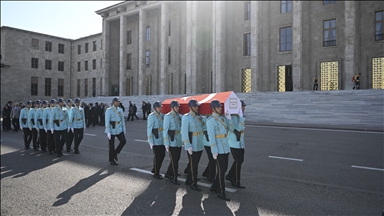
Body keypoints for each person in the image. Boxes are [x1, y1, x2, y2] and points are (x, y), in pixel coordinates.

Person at [206, 100, 234, 201]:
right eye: (218, 107)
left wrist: (229, 118)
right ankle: (221, 192)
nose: (220, 108)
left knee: (224, 169)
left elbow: (231, 129)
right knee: (222, 171)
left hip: (225, 147)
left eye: (220, 107)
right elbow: (211, 137)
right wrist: (214, 150)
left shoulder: (222, 118)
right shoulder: (211, 120)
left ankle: (214, 186)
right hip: (218, 148)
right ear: (213, 109)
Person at [182, 99, 205, 191]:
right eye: (195, 106)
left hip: (199, 143)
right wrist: (188, 145)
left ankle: (189, 179)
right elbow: (184, 132)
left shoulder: (199, 117)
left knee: (195, 163)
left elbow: (204, 127)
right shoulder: (186, 117)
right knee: (194, 164)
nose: (197, 108)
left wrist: (205, 118)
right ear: (190, 107)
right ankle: (193, 182)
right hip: (192, 144)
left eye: (197, 106)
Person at [226, 100, 246, 189]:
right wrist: (241, 117)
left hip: (240, 142)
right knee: (238, 162)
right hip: (234, 143)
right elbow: (238, 129)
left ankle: (230, 175)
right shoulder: (234, 117)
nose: (244, 108)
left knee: (239, 161)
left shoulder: (239, 116)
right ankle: (235, 181)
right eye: (243, 107)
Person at [163, 100, 182, 185]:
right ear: (172, 108)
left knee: (177, 158)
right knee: (174, 160)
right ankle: (174, 177)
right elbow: (165, 131)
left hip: (178, 140)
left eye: (178, 107)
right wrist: (166, 143)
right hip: (172, 140)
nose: (178, 109)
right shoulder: (168, 116)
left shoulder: (179, 116)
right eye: (176, 107)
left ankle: (168, 173)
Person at [105, 97, 126, 165]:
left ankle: (115, 153)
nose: (118, 103)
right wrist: (108, 131)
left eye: (118, 101)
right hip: (112, 129)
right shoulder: (109, 110)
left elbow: (122, 120)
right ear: (113, 102)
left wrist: (124, 129)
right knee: (111, 145)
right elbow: (107, 121)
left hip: (119, 128)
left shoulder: (120, 110)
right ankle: (111, 160)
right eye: (116, 101)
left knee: (123, 141)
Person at [147, 101, 165, 179]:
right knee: (158, 156)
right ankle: (156, 173)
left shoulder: (162, 115)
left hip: (162, 139)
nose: (160, 108)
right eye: (158, 107)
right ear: (155, 108)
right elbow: (149, 129)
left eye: (160, 107)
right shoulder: (152, 116)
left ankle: (155, 168)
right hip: (156, 138)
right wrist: (150, 140)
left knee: (162, 155)